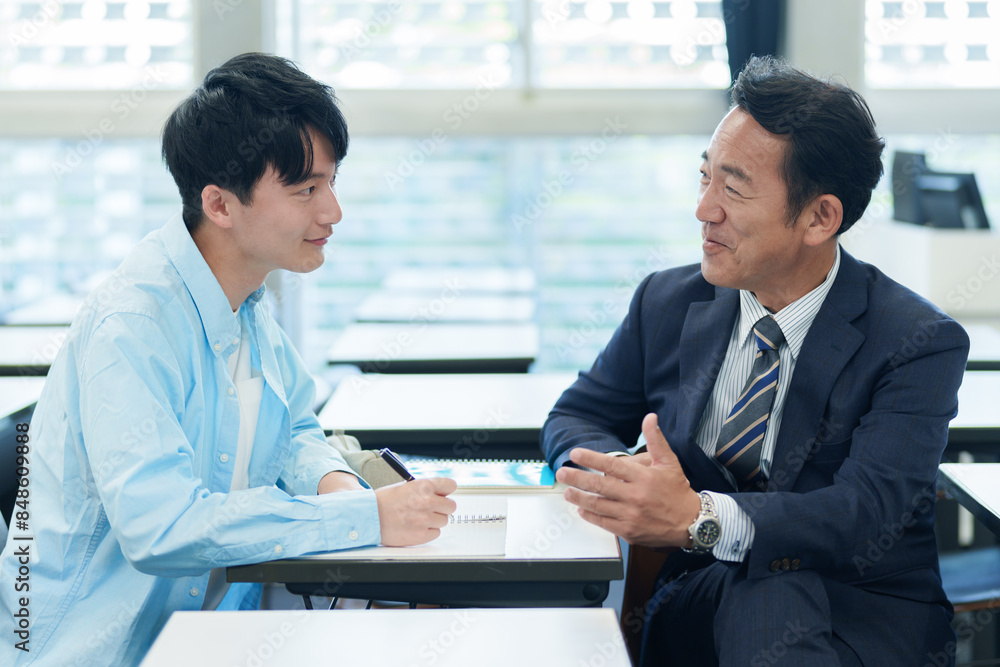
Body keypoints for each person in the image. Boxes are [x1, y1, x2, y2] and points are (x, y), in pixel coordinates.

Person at [0, 52, 456, 667]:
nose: (332, 212)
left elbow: (295, 430)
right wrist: (365, 519)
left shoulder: (244, 301)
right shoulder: (133, 326)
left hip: (211, 633)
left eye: (331, 183)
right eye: (306, 190)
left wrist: (341, 489)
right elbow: (162, 528)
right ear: (219, 205)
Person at [542, 55, 969, 667]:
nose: (704, 209)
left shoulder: (917, 340)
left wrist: (698, 516)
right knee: (768, 588)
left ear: (819, 217)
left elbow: (864, 513)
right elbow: (577, 415)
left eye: (734, 188)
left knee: (775, 586)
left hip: (861, 616)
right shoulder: (667, 301)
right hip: (702, 602)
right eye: (704, 177)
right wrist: (623, 478)